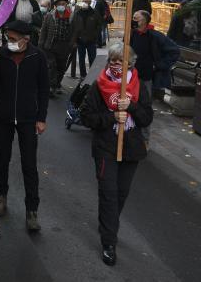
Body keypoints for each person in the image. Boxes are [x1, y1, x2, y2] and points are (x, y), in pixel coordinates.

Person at [79, 43, 153, 266]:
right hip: (106, 147)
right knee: (109, 193)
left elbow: (146, 118)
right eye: (112, 60)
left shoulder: (138, 86)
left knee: (121, 193)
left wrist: (130, 107)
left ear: (129, 63)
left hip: (131, 146)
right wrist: (111, 118)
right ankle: (109, 242)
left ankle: (108, 223)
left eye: (120, 61)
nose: (116, 65)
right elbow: (86, 116)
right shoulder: (98, 87)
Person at [0, 20, 49, 232]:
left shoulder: (37, 57)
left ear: (26, 39)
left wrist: (41, 118)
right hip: (3, 117)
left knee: (29, 164)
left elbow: (43, 89)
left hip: (28, 118)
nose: (9, 42)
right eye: (7, 38)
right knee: (2, 159)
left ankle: (32, 210)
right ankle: (0, 197)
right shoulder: (1, 55)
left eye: (13, 39)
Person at [129, 10, 179, 143]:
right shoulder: (131, 34)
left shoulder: (155, 36)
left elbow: (174, 51)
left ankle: (144, 139)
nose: (133, 20)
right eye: (133, 18)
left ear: (144, 20)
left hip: (146, 78)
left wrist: (160, 65)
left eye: (136, 18)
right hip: (130, 77)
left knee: (144, 107)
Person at [39, 0, 74, 94]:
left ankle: (57, 84)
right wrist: (41, 44)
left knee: (61, 67)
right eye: (59, 4)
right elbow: (43, 31)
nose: (61, 6)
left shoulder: (71, 16)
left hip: (64, 46)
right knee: (52, 66)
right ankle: (51, 86)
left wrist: (73, 43)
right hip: (51, 45)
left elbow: (75, 30)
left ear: (66, 5)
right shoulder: (50, 16)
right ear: (55, 6)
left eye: (63, 4)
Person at [71, 0, 103, 79]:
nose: (85, 3)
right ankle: (83, 75)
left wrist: (95, 35)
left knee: (92, 58)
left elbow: (99, 25)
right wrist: (74, 40)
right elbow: (73, 26)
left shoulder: (94, 13)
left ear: (90, 3)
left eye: (87, 2)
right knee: (81, 59)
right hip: (80, 40)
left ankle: (92, 76)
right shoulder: (77, 13)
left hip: (91, 40)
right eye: (83, 1)